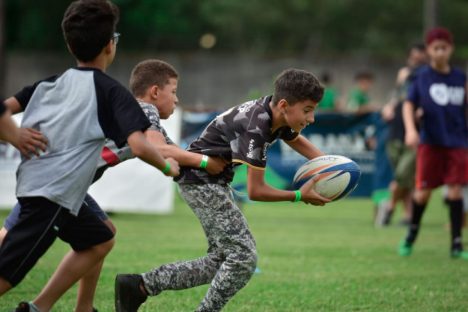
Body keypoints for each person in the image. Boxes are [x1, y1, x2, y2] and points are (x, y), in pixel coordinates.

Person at [1, 58, 226, 311]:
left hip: (68, 184)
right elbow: (160, 149)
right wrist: (206, 162)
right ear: (154, 92)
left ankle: (79, 307)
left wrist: (209, 160)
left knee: (101, 236)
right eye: (173, 92)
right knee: (15, 252)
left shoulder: (145, 117)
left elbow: (171, 150)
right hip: (61, 183)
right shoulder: (144, 109)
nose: (176, 100)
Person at [0, 1, 181, 311]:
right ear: (111, 45)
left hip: (54, 192)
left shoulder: (49, 83)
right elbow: (140, 145)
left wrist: (15, 136)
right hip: (51, 199)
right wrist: (167, 167)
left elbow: (5, 109)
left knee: (100, 238)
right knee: (6, 276)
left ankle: (51, 308)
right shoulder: (112, 93)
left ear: (70, 43)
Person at [115, 68, 331, 312]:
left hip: (209, 182)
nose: (311, 118)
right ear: (283, 104)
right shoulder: (256, 126)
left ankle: (139, 286)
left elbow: (294, 138)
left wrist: (330, 164)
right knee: (243, 258)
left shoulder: (274, 113)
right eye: (307, 110)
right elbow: (256, 191)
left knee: (221, 260)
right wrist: (300, 195)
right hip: (201, 181)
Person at [399, 27, 468, 259]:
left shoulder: (460, 78)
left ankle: (456, 244)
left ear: (451, 49)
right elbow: (408, 105)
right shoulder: (422, 77)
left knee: (456, 190)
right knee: (423, 192)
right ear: (429, 50)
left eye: (444, 48)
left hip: (458, 141)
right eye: (435, 48)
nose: (440, 52)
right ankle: (412, 234)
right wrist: (410, 130)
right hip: (431, 142)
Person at [376, 43, 427, 226]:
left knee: (401, 175)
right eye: (414, 58)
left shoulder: (427, 78)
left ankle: (389, 206)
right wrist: (388, 106)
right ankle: (408, 215)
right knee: (406, 179)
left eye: (420, 58)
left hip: (415, 135)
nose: (416, 61)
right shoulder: (404, 75)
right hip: (395, 132)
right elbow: (397, 95)